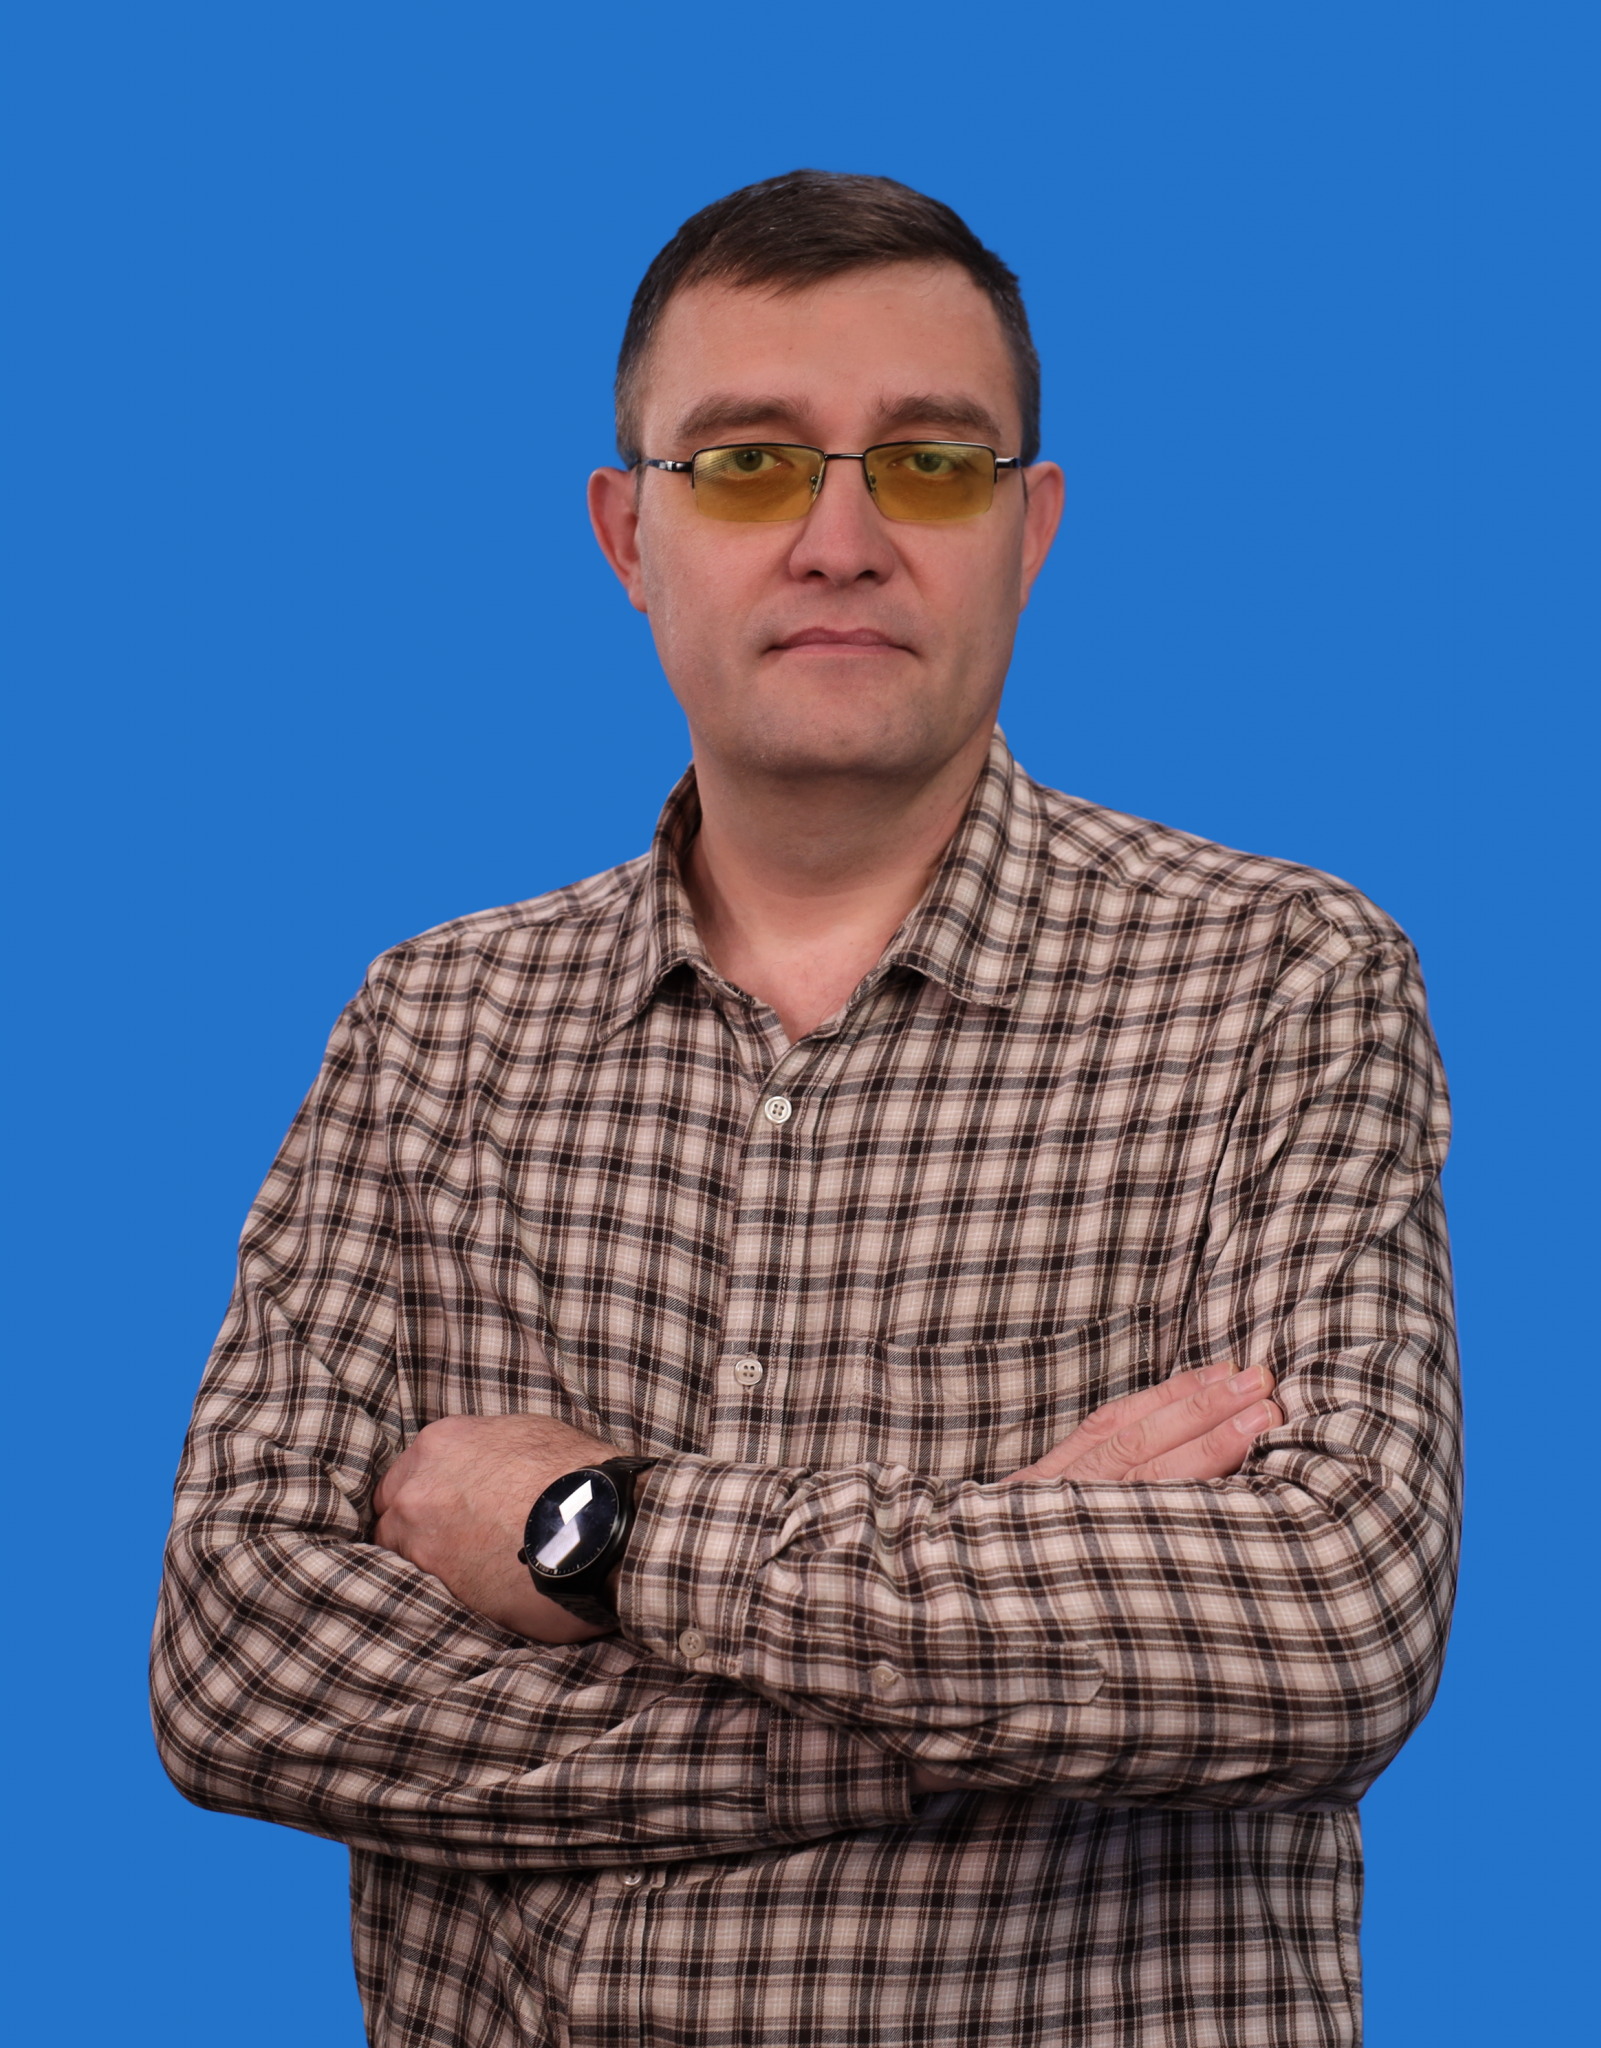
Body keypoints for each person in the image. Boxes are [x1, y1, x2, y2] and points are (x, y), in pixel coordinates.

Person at [152, 169, 1460, 2048]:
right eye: (750, 465)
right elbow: (241, 1671)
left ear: (1029, 527)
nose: (841, 540)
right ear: (629, 533)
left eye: (928, 464)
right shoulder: (433, 1026)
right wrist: (970, 1673)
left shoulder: (1282, 980)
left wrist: (599, 1532)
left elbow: (1329, 1629)